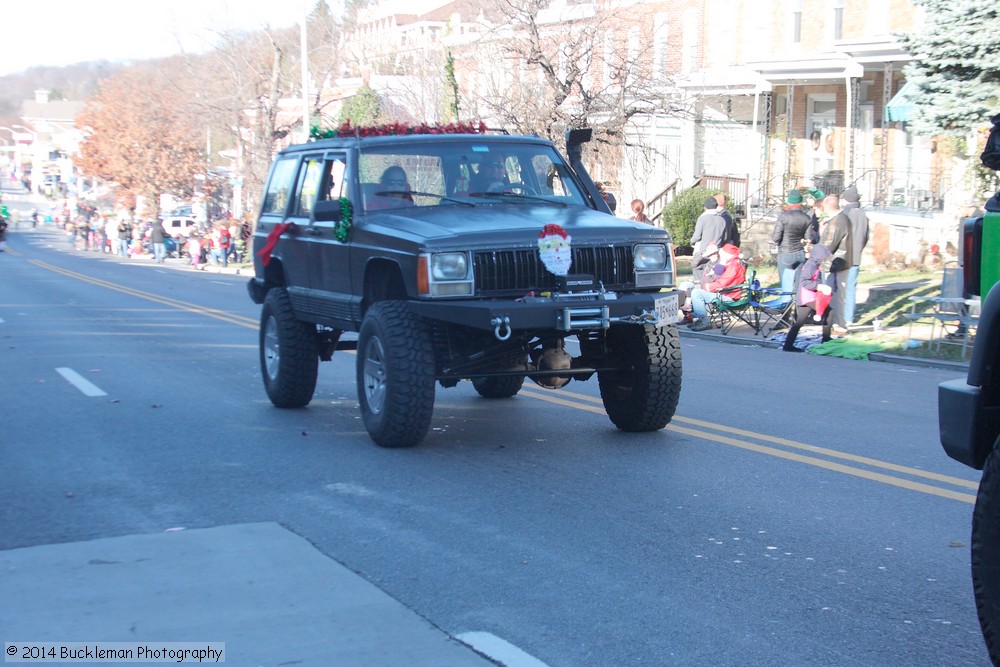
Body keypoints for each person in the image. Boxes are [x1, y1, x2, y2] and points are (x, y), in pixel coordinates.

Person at [782, 243, 833, 352]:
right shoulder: (811, 265)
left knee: (799, 322)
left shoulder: (814, 264)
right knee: (828, 311)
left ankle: (788, 345)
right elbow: (804, 281)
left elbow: (814, 279)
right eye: (824, 257)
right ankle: (826, 338)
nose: (825, 259)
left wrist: (820, 285)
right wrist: (818, 286)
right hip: (807, 296)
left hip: (809, 295)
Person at [772, 189, 819, 301]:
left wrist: (779, 243)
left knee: (786, 286)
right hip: (800, 253)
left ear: (789, 201)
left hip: (785, 253)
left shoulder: (783, 216)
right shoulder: (807, 218)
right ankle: (798, 311)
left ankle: (786, 314)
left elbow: (776, 237)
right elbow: (809, 238)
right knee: (799, 286)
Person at [687, 243, 746, 332]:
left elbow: (722, 283)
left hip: (728, 296)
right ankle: (701, 319)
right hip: (726, 292)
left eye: (721, 254)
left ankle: (704, 322)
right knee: (693, 289)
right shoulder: (730, 263)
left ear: (727, 254)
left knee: (697, 293)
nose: (720, 255)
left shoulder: (733, 266)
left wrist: (705, 287)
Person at [818, 194, 853, 333]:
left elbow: (828, 245)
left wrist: (821, 233)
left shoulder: (837, 222)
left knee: (833, 295)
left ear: (827, 207)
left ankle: (838, 325)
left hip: (835, 263)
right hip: (841, 261)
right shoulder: (843, 218)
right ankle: (836, 323)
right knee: (837, 294)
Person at [840, 185, 869, 325]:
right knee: (851, 288)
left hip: (843, 256)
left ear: (846, 200)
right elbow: (865, 237)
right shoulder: (863, 215)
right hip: (856, 256)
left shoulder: (845, 214)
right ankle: (849, 318)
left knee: (840, 287)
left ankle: (838, 317)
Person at [690, 197, 728, 283]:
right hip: (716, 253)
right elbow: (725, 238)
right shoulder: (722, 220)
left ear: (705, 207)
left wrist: (691, 242)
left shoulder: (702, 218)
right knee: (713, 277)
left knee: (699, 278)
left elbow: (697, 236)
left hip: (703, 252)